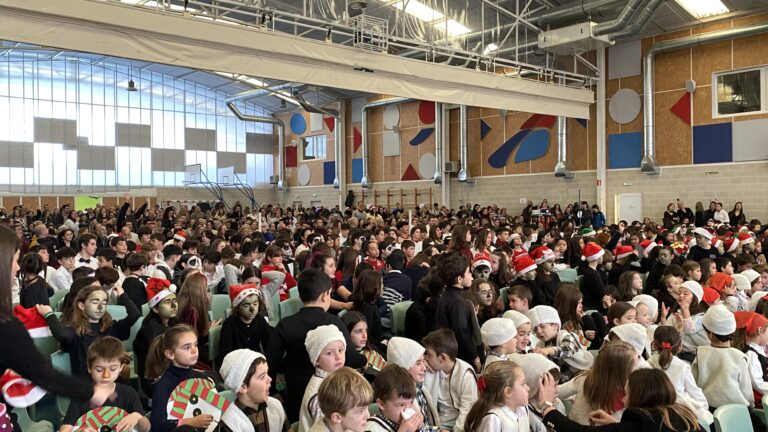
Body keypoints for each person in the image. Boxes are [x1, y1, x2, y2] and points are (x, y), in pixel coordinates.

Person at [265, 269, 366, 422]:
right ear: (326, 295)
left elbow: (270, 363)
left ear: (300, 296)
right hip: (332, 393)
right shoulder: (334, 322)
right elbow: (351, 359)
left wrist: (272, 392)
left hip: (296, 395)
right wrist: (366, 359)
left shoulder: (285, 324)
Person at [538, 368, 705, 432]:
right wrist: (615, 424)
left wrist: (547, 408)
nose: (623, 399)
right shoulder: (682, 414)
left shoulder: (642, 421)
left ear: (639, 395)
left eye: (626, 393)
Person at [39, 284, 140, 377]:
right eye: (95, 302)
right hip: (87, 386)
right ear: (81, 305)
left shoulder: (110, 327)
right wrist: (49, 315)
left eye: (104, 303)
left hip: (111, 381)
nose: (100, 307)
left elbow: (134, 314)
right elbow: (61, 335)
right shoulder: (76, 331)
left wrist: (122, 295)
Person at [59, 336, 149, 432]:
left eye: (113, 369)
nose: (106, 375)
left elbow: (146, 428)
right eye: (99, 369)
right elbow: (64, 429)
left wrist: (138, 417)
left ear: (121, 367)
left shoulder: (128, 393)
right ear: (89, 367)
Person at [146, 324, 212, 432]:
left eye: (195, 344)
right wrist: (189, 422)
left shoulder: (201, 378)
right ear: (170, 354)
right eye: (187, 347)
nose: (194, 351)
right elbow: (158, 425)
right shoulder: (163, 385)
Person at [556, 341, 636, 425]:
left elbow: (557, 392)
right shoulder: (628, 395)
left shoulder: (585, 379)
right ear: (621, 372)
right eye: (634, 366)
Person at [692, 305, 753, 409]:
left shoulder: (701, 353)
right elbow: (746, 390)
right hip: (738, 410)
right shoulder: (739, 357)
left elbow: (694, 383)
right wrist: (751, 406)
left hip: (709, 409)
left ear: (710, 334)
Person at [219, 349, 290, 432]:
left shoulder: (275, 406)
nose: (270, 379)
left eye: (267, 373)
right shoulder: (230, 424)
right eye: (262, 376)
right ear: (242, 387)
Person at [422, 329, 478, 432]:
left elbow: (467, 409)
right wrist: (419, 364)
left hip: (458, 425)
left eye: (428, 354)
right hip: (434, 424)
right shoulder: (427, 368)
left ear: (442, 357)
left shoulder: (466, 375)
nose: (425, 357)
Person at [464, 360, 540, 432]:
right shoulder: (494, 419)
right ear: (508, 392)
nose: (528, 388)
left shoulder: (522, 408)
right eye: (523, 384)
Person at [133, 277, 178, 397]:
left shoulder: (173, 322)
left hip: (172, 370)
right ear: (155, 309)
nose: (174, 305)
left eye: (175, 300)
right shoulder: (151, 328)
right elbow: (162, 358)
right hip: (155, 377)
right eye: (167, 302)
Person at [433, 252, 479, 367]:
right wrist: (474, 356)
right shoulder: (459, 302)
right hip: (459, 356)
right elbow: (462, 332)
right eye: (468, 272)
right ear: (459, 279)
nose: (471, 276)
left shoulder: (445, 295)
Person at [299, 325, 347, 432]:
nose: (338, 357)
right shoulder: (318, 397)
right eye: (329, 353)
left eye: (340, 350)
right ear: (316, 359)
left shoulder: (337, 377)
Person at [527, 305, 593, 382]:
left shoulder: (563, 334)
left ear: (555, 326)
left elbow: (569, 349)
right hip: (565, 377)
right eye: (535, 329)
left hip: (582, 370)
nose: (538, 331)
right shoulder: (540, 344)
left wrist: (549, 350)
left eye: (542, 326)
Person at [386, 337, 440, 429]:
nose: (424, 367)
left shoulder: (419, 387)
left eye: (424, 361)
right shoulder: (401, 397)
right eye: (418, 363)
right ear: (403, 367)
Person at [308, 367, 373, 432]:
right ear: (337, 417)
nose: (368, 416)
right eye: (361, 411)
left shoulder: (344, 426)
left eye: (367, 408)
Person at [366, 365, 425, 432]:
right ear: (381, 404)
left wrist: (419, 429)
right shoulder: (372, 428)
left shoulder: (398, 422)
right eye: (401, 405)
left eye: (411, 402)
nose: (408, 409)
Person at [733, 311, 768, 408]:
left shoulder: (760, 349)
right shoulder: (751, 354)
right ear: (760, 330)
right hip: (761, 400)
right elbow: (757, 383)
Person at [341, 312, 386, 380]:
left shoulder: (371, 348)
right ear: (347, 333)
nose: (364, 336)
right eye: (358, 331)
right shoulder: (346, 361)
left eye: (366, 330)